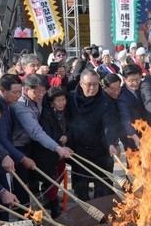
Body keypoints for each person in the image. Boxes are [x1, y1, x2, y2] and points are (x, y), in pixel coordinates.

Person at [12, 74, 73, 204]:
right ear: (26, 89)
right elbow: (36, 131)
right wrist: (57, 147)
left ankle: (41, 201)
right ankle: (23, 212)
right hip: (18, 145)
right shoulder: (20, 106)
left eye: (43, 91)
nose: (41, 95)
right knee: (21, 181)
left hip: (32, 144)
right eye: (37, 92)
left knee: (38, 175)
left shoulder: (41, 100)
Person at [67, 69, 119, 201]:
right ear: (81, 83)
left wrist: (112, 143)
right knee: (81, 187)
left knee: (102, 186)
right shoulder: (71, 98)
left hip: (101, 148)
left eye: (95, 84)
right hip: (78, 149)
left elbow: (110, 125)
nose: (92, 88)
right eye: (89, 84)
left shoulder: (105, 100)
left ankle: (102, 213)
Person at [34, 86, 71, 217]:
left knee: (60, 175)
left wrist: (67, 136)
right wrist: (59, 141)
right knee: (53, 179)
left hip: (61, 151)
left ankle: (49, 197)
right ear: (51, 102)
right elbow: (46, 134)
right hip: (48, 152)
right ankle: (54, 207)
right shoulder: (46, 114)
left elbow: (70, 127)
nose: (62, 103)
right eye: (58, 101)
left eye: (63, 100)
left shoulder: (66, 112)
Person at [116, 64, 150, 152]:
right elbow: (125, 118)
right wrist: (134, 135)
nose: (135, 83)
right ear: (124, 79)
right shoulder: (121, 96)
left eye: (137, 79)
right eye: (131, 80)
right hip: (130, 134)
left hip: (148, 132)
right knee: (134, 162)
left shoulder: (144, 87)